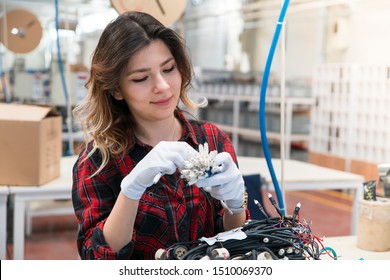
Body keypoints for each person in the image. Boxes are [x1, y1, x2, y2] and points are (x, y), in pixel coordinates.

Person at [72, 11, 249, 260]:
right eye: (141, 78)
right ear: (116, 89)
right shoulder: (97, 160)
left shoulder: (211, 139)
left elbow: (236, 241)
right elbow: (97, 257)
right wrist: (131, 191)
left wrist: (235, 204)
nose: (163, 86)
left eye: (168, 69)